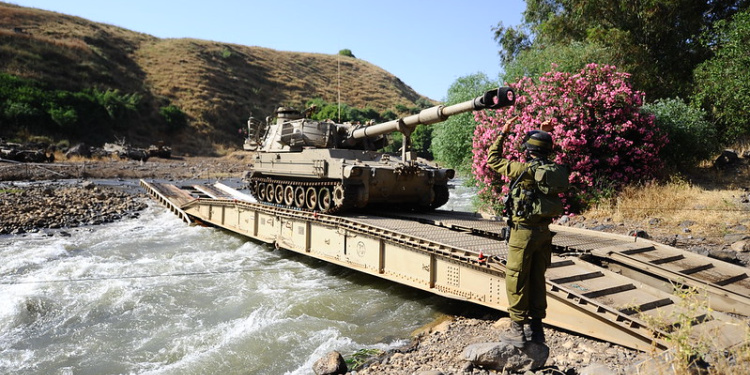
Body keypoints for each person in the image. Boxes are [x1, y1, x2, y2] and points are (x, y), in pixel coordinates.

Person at [486, 117, 556, 347]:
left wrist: (503, 133)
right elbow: (546, 155)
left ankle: (517, 330)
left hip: (522, 233)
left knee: (516, 278)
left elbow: (493, 159)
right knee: (537, 278)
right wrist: (545, 134)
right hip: (544, 233)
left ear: (529, 150)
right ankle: (537, 330)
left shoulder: (523, 170)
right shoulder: (555, 170)